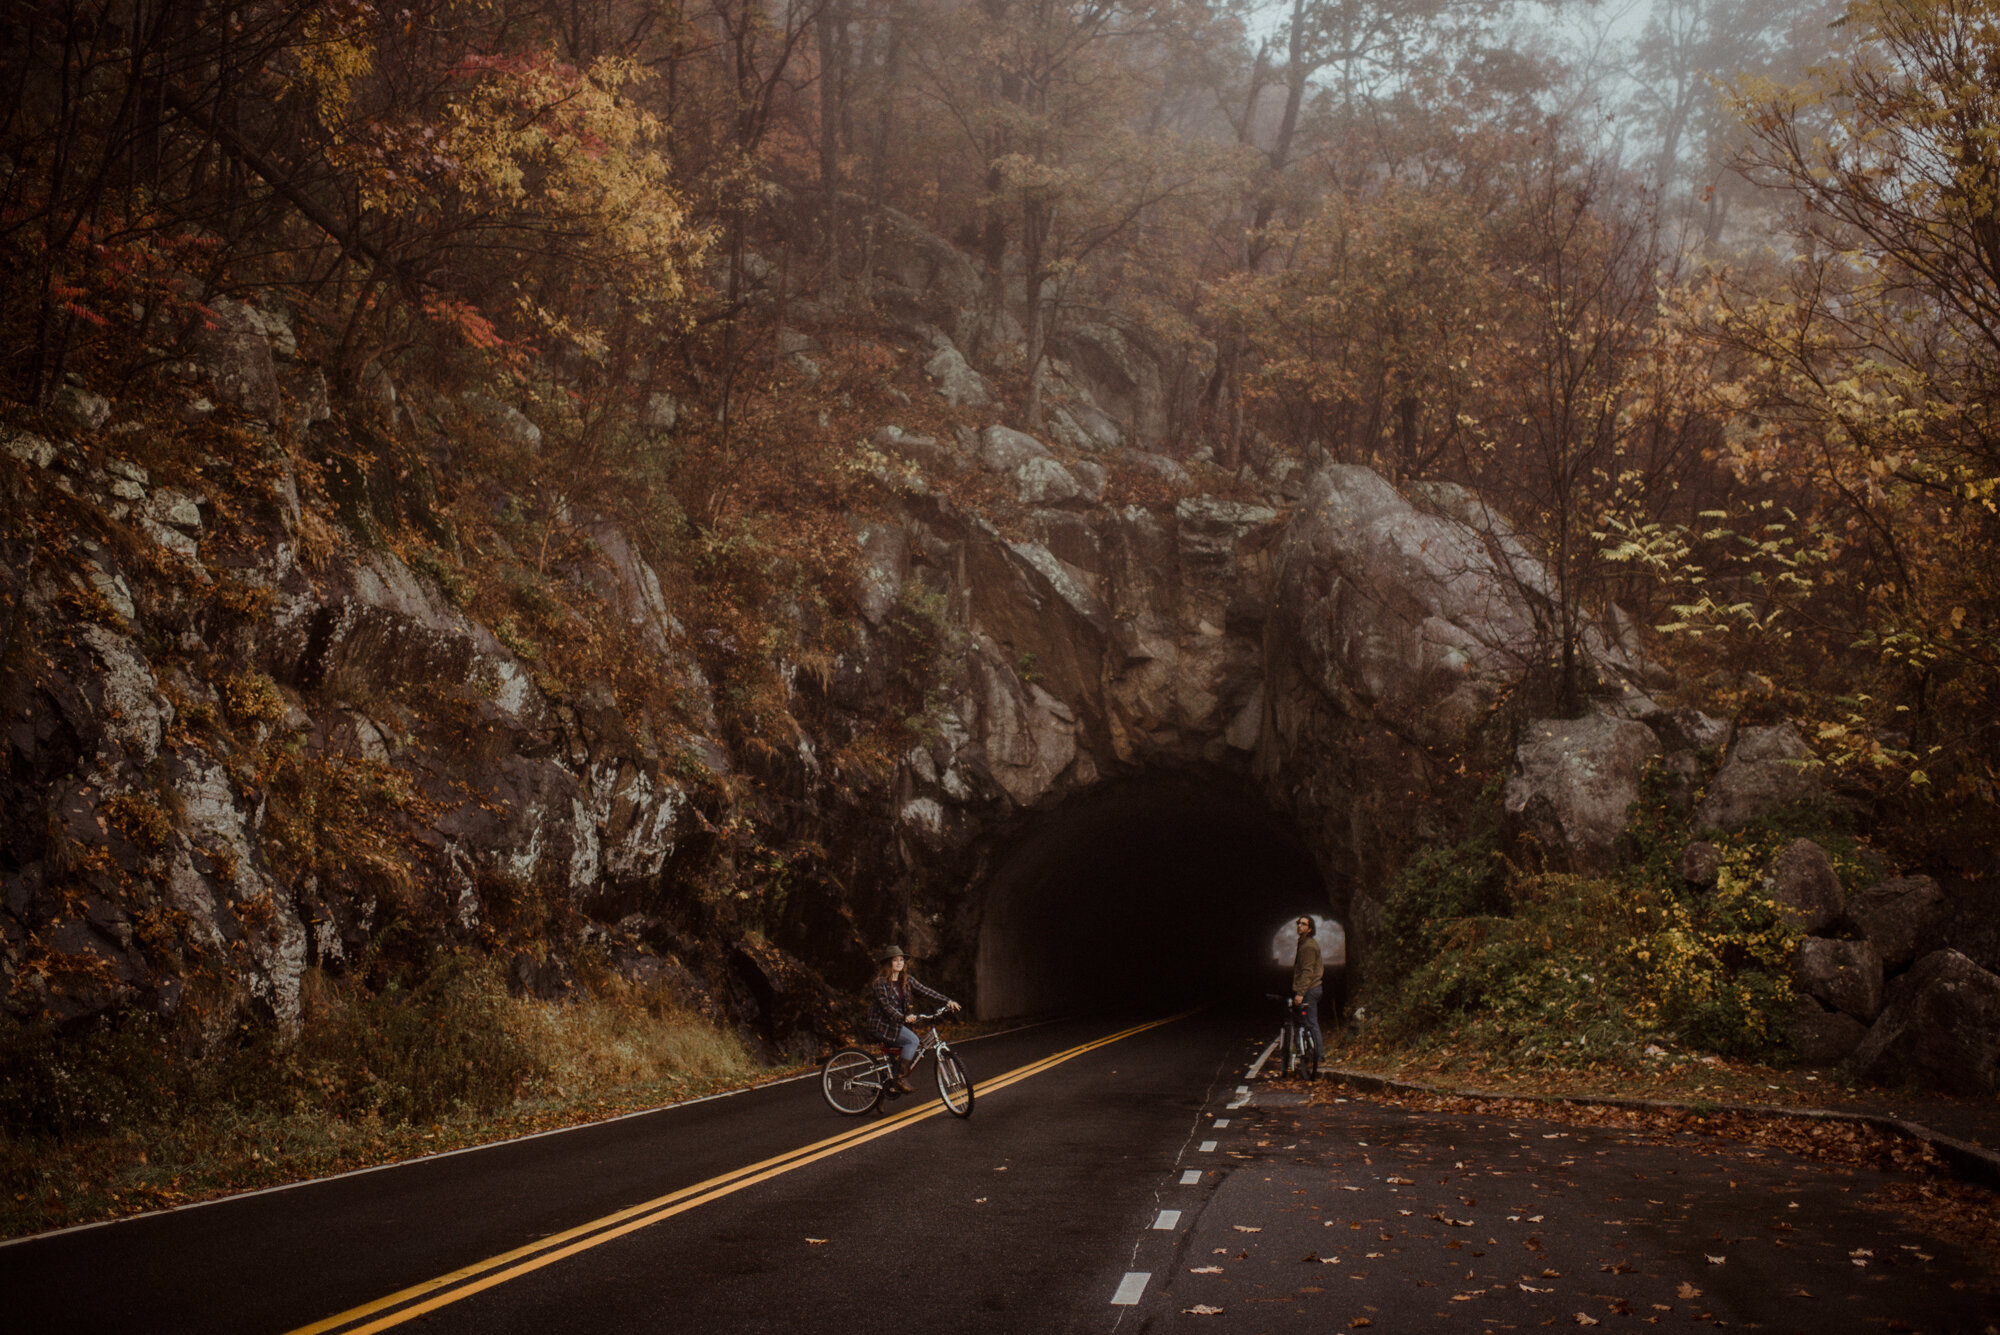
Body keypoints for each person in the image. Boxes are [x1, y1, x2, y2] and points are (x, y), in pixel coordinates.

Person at [865, 945, 959, 1094]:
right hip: (881, 1026)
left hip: (896, 1025)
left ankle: (888, 1086)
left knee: (901, 1054)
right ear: (888, 963)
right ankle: (900, 1079)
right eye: (895, 960)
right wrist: (904, 1017)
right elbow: (887, 1007)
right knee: (912, 1041)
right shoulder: (880, 983)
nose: (899, 963)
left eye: (901, 960)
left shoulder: (906, 980)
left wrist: (947, 1001)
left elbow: (926, 991)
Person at [1291, 916, 1324, 1072]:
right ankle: (1310, 1054)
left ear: (1310, 929)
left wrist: (1300, 993)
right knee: (1306, 1022)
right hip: (1310, 988)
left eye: (1303, 924)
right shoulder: (1303, 943)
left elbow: (1307, 972)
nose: (1299, 926)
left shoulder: (1308, 946)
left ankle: (1319, 1056)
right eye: (1298, 923)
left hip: (1310, 989)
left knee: (1311, 1022)